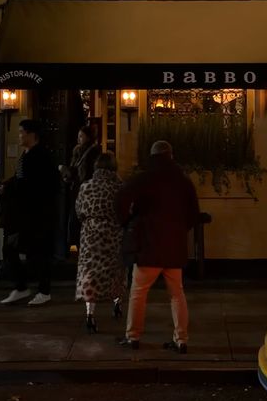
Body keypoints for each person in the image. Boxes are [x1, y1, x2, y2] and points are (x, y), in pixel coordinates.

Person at [115, 140, 200, 353]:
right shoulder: (183, 181)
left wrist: (127, 221)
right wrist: (180, 229)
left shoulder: (144, 178)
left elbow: (121, 198)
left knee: (138, 292)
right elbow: (193, 213)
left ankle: (133, 336)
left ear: (152, 156)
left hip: (148, 245)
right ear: (171, 155)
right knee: (177, 293)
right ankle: (181, 339)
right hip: (174, 247)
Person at [0, 119, 60, 306]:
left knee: (36, 252)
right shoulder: (27, 155)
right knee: (17, 249)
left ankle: (40, 290)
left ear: (32, 135)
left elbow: (32, 185)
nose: (19, 136)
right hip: (26, 214)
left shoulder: (40, 156)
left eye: (21, 132)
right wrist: (7, 186)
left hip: (36, 214)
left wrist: (9, 189)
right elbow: (20, 180)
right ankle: (24, 287)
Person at [75, 151, 125, 333]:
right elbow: (127, 211)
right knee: (115, 272)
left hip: (91, 236)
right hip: (114, 235)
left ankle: (90, 314)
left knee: (91, 275)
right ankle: (117, 302)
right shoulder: (119, 187)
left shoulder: (86, 187)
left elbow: (79, 211)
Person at [59, 124, 101, 251]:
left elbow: (82, 172)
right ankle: (75, 243)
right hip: (76, 188)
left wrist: (65, 170)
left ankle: (79, 244)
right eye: (78, 136)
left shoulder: (92, 152)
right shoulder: (77, 151)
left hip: (84, 188)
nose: (79, 139)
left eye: (81, 136)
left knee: (79, 216)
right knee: (75, 216)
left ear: (88, 137)